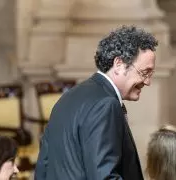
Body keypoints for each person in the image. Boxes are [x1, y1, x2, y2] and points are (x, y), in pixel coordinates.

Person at [35, 25, 158, 180]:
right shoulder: (106, 105)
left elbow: (43, 166)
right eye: (144, 72)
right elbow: (104, 176)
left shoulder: (69, 96)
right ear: (119, 64)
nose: (148, 82)